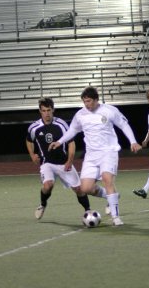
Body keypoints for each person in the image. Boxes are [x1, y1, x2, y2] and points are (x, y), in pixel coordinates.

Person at [49, 86, 142, 226]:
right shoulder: (80, 115)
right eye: (85, 101)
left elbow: (124, 125)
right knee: (85, 188)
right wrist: (60, 141)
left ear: (96, 99)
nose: (87, 104)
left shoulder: (109, 110)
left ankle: (116, 217)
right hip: (91, 155)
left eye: (89, 101)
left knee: (107, 179)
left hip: (108, 152)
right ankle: (111, 196)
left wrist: (133, 141)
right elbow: (73, 130)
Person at [26, 97, 107, 220]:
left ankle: (88, 211)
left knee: (79, 189)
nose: (46, 113)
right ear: (40, 111)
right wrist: (32, 154)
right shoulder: (34, 128)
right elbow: (29, 140)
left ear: (53, 110)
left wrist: (69, 161)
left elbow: (71, 143)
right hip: (46, 163)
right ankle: (42, 205)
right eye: (44, 111)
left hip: (63, 163)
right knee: (48, 185)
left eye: (49, 110)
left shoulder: (61, 124)